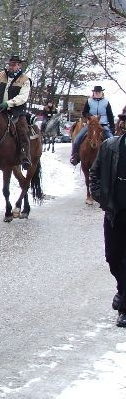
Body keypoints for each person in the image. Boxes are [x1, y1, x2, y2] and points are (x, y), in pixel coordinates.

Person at [90, 132, 126, 327]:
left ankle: (124, 309)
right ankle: (122, 290)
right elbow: (94, 173)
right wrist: (101, 197)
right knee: (112, 257)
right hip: (115, 213)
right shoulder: (110, 146)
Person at [0, 53, 33, 169]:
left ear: (19, 66)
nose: (11, 66)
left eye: (14, 65)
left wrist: (9, 103)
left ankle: (25, 156)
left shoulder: (25, 80)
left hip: (16, 111)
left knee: (23, 129)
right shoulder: (0, 75)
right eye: (10, 64)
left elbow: (23, 97)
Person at [70, 85, 115, 165]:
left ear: (101, 93)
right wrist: (90, 115)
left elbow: (110, 115)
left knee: (112, 139)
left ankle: (114, 158)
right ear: (93, 93)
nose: (97, 93)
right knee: (78, 138)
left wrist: (112, 126)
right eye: (96, 92)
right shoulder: (89, 101)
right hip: (90, 124)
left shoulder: (106, 102)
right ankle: (75, 156)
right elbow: (84, 112)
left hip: (102, 124)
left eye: (99, 92)